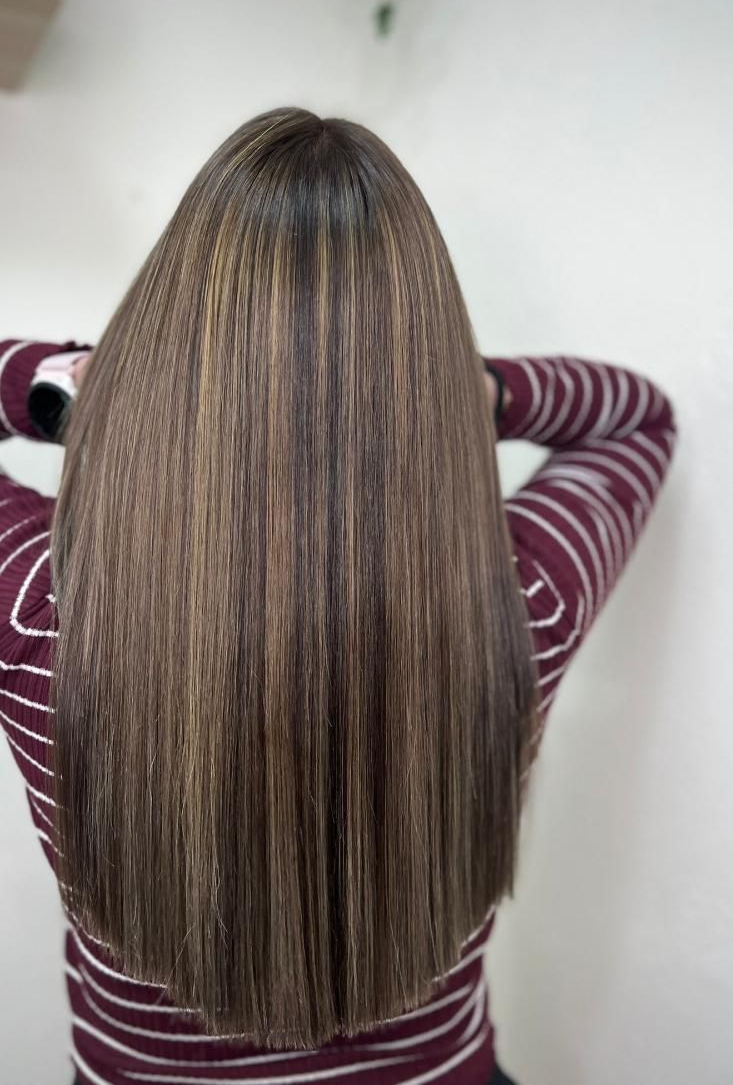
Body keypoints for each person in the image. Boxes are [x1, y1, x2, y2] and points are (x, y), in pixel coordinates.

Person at [0, 107, 678, 1085]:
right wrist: (472, 393)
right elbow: (636, 416)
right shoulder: (518, 604)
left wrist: (66, 384)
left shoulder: (48, 615)